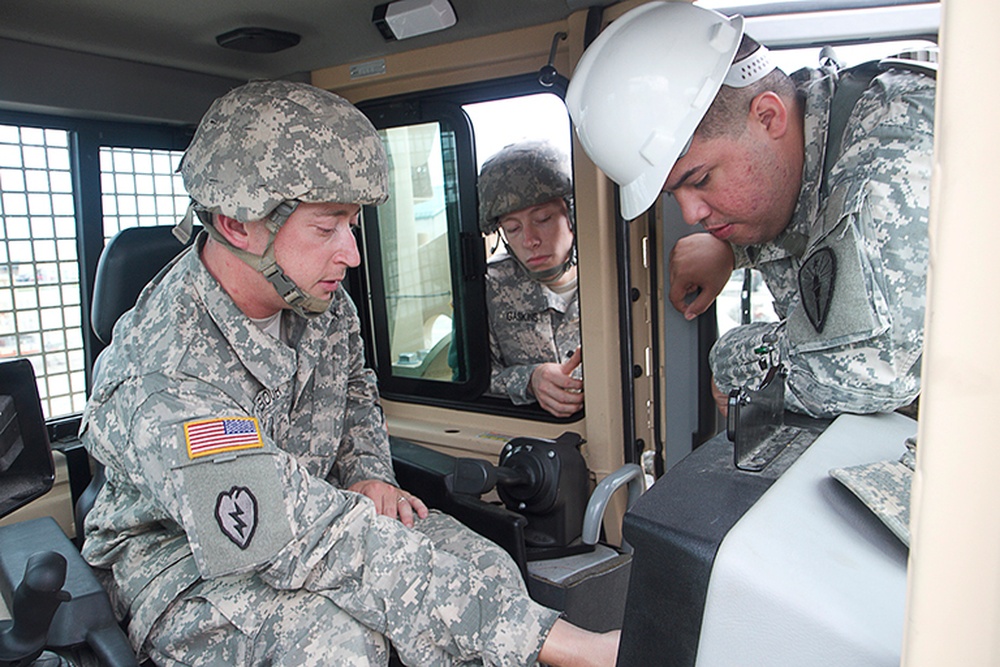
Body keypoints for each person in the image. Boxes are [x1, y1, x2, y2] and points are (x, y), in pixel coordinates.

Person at [79, 80, 619, 666]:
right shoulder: (165, 376)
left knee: (485, 565)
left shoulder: (321, 301)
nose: (352, 253)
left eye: (353, 224)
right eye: (326, 226)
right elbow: (280, 532)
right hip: (185, 561)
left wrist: (368, 473)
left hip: (321, 509)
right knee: (334, 644)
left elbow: (356, 389)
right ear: (237, 223)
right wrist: (559, 642)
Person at [566, 1, 934, 418]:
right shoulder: (790, 156)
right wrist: (732, 249)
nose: (691, 216)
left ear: (768, 116)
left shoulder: (891, 147)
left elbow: (865, 373)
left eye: (700, 180)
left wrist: (729, 359)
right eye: (674, 195)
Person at [477, 140, 584, 418]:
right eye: (513, 228)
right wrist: (529, 381)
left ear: (570, 214)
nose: (529, 240)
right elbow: (468, 378)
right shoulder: (490, 284)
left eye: (544, 218)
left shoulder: (613, 269)